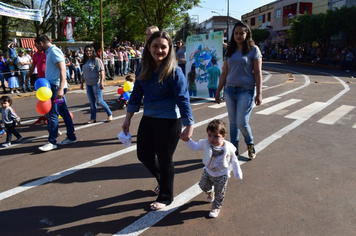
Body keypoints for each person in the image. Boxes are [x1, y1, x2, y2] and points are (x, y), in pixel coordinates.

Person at [122, 31, 194, 211]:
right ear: (148, 47)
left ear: (169, 49)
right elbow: (136, 93)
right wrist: (127, 119)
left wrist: (189, 124)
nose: (159, 50)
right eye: (155, 46)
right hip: (149, 117)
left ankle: (166, 196)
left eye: (163, 47)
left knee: (164, 158)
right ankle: (164, 180)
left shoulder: (175, 71)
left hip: (169, 119)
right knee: (143, 155)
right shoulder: (142, 67)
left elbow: (183, 99)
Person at [215, 21, 262, 159]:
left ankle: (250, 143)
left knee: (241, 121)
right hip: (229, 90)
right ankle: (233, 149)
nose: (239, 35)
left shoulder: (254, 50)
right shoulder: (229, 50)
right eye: (236, 33)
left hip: (246, 90)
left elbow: (258, 72)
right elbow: (224, 73)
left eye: (242, 33)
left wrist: (259, 93)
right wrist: (218, 92)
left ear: (247, 34)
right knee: (233, 121)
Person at [181, 119, 242, 218]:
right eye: (209, 135)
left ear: (223, 136)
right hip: (208, 171)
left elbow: (234, 160)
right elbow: (195, 146)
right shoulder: (205, 143)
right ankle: (210, 193)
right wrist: (187, 140)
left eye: (216, 136)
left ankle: (216, 207)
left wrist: (237, 173)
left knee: (220, 193)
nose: (212, 139)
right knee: (203, 185)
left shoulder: (228, 147)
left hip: (221, 175)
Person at [35, 34, 77, 152]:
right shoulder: (49, 52)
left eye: (37, 45)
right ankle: (71, 137)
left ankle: (52, 141)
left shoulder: (54, 51)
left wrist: (60, 88)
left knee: (53, 113)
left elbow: (63, 70)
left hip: (55, 87)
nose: (37, 48)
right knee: (63, 111)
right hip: (54, 87)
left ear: (41, 43)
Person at [80, 45, 113, 124]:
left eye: (89, 50)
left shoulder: (97, 60)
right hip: (88, 84)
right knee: (92, 102)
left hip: (96, 83)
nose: (88, 52)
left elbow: (102, 71)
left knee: (99, 100)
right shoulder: (84, 61)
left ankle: (109, 114)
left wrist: (102, 82)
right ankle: (93, 118)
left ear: (92, 51)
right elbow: (83, 73)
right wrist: (82, 83)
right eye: (86, 51)